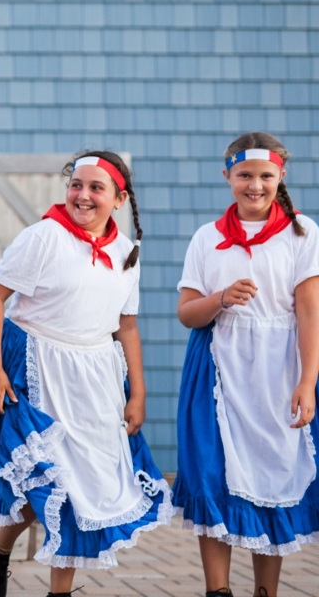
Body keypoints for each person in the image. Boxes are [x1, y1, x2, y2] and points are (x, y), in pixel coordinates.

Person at [0, 151, 172, 597]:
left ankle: (54, 587)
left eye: (96, 188)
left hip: (97, 375)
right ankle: (0, 544)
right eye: (76, 185)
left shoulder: (126, 252)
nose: (83, 195)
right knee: (47, 480)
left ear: (119, 199)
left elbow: (127, 325)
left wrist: (137, 393)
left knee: (83, 489)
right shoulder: (44, 237)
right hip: (38, 367)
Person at [172, 132, 319, 597]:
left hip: (280, 369)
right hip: (219, 367)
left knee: (272, 473)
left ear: (280, 177)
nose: (255, 185)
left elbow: (310, 312)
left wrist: (307, 380)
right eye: (244, 176)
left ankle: (265, 591)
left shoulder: (303, 233)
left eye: (265, 176)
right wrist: (221, 298)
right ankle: (218, 591)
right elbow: (187, 312)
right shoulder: (207, 238)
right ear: (227, 177)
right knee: (212, 476)